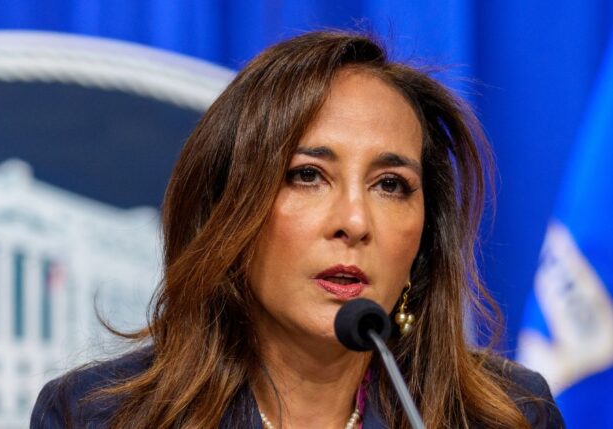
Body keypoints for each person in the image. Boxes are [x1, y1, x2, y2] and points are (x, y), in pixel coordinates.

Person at [30, 31, 564, 429]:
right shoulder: (98, 416)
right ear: (229, 211)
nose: (354, 222)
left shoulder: (510, 416)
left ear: (424, 242)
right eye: (307, 176)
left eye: (391, 185)